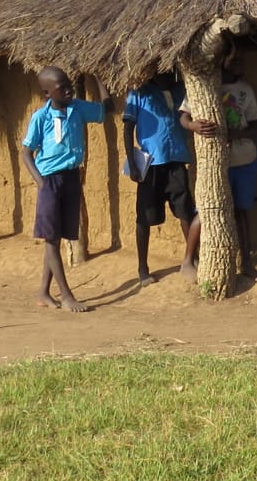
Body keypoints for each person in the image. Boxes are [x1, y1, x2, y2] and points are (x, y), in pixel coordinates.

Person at [17, 67, 105, 312]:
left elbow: (104, 111)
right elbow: (26, 153)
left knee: (56, 237)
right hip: (50, 181)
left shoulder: (78, 108)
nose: (69, 89)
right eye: (61, 87)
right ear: (47, 93)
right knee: (51, 240)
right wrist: (41, 182)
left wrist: (99, 78)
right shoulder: (40, 117)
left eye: (69, 84)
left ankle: (44, 292)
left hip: (71, 178)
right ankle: (66, 295)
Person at [122, 75, 200, 283]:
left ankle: (191, 260)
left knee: (185, 211)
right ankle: (142, 268)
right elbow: (128, 127)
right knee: (145, 217)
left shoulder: (180, 90)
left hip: (177, 161)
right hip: (151, 165)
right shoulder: (139, 92)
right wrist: (133, 163)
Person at [215, 61, 257, 275]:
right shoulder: (208, 85)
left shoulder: (245, 89)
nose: (240, 63)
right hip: (218, 163)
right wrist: (193, 125)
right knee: (213, 212)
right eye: (236, 59)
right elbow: (184, 116)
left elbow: (256, 124)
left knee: (241, 213)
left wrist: (237, 135)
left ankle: (246, 262)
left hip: (244, 159)